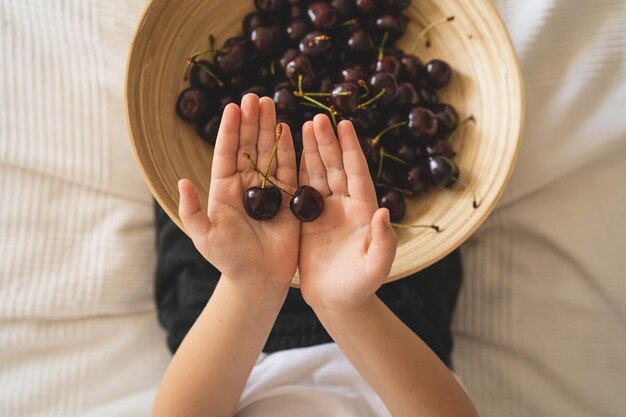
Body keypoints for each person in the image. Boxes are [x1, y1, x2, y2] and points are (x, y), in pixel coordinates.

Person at [150, 94, 478, 417]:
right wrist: (346, 309)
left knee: (194, 157)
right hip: (388, 325)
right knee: (417, 188)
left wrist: (250, 287)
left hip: (228, 327)